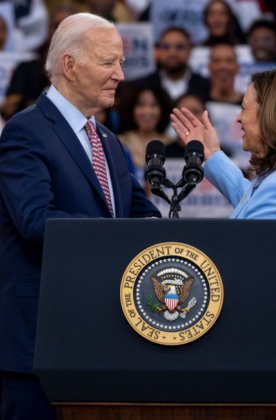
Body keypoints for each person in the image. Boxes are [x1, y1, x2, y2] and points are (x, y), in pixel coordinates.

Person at [0, 12, 160, 420]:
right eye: (109, 62)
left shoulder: (105, 139)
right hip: (40, 341)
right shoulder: (26, 131)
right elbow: (35, 219)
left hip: (101, 335)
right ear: (69, 65)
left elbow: (140, 214)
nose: (120, 75)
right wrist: (115, 239)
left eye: (121, 62)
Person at [171, 67, 276, 419]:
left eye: (245, 107)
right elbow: (254, 201)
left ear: (273, 115)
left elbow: (243, 268)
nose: (238, 116)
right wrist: (213, 156)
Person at [135, 27, 210, 103]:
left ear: (190, 50)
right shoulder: (142, 86)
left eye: (179, 47)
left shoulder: (207, 87)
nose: (172, 53)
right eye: (166, 47)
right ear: (159, 50)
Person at [118, 86, 173, 186]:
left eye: (154, 105)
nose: (147, 111)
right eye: (141, 105)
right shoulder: (119, 142)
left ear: (162, 108)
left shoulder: (171, 143)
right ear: (131, 108)